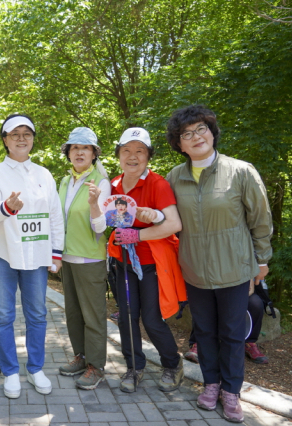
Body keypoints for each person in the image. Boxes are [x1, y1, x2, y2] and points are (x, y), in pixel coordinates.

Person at [165, 105, 273, 423]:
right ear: (179, 144)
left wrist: (262, 260)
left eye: (202, 129)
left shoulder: (241, 171)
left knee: (232, 333)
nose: (196, 136)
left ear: (212, 133)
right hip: (194, 271)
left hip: (235, 270)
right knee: (205, 333)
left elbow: (260, 220)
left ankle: (231, 392)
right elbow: (167, 220)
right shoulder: (175, 177)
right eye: (187, 133)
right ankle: (211, 384)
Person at [0, 113, 64, 399]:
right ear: (5, 140)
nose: (21, 138)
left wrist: (57, 252)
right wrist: (5, 207)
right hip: (2, 254)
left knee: (37, 314)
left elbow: (55, 215)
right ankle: (11, 371)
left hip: (36, 254)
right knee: (3, 315)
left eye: (26, 133)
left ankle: (36, 368)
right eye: (14, 134)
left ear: (32, 139)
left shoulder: (44, 174)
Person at [108, 127, 187, 394]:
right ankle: (134, 367)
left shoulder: (158, 184)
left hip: (152, 264)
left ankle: (172, 364)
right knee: (127, 318)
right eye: (126, 150)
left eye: (139, 151)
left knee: (152, 319)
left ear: (148, 156)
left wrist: (137, 234)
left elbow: (174, 224)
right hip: (124, 263)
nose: (132, 156)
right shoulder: (115, 185)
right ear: (118, 155)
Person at [57, 127, 111, 390]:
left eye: (85, 148)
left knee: (94, 317)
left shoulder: (101, 182)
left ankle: (96, 366)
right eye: (74, 148)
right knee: (74, 314)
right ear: (68, 153)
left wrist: (93, 204)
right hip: (67, 258)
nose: (79, 152)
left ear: (93, 154)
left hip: (90, 259)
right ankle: (81, 357)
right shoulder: (66, 181)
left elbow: (101, 227)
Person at [185, 286, 269, 365]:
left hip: (240, 286)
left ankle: (248, 342)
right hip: (212, 285)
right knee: (205, 302)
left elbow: (253, 281)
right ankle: (199, 343)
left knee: (255, 303)